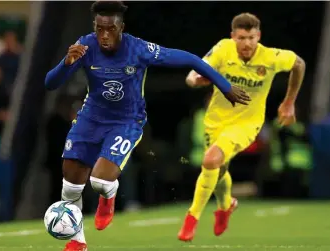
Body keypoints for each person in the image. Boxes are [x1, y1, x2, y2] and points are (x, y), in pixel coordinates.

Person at [45, 2, 250, 250]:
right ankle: (77, 242)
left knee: (99, 182)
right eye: (99, 29)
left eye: (110, 29)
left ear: (122, 27)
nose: (104, 35)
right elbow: (50, 83)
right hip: (90, 118)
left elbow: (190, 59)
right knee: (70, 186)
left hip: (126, 121)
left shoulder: (139, 49)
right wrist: (65, 64)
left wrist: (225, 87)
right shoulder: (85, 45)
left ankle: (108, 197)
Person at [178, 12, 306, 242]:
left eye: (250, 37)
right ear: (232, 37)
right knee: (219, 170)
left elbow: (299, 64)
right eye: (241, 38)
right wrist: (195, 80)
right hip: (216, 120)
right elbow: (193, 72)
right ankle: (226, 205)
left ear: (258, 36)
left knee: (210, 160)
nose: (246, 43)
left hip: (246, 123)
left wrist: (289, 103)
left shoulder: (270, 57)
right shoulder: (222, 49)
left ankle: (191, 219)